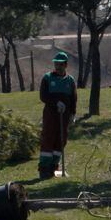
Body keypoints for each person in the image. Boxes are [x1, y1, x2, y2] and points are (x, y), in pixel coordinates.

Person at [38, 51, 77, 179]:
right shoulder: (47, 78)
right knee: (48, 138)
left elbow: (73, 98)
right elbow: (43, 96)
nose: (57, 67)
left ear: (66, 65)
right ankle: (44, 168)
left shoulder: (70, 80)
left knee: (61, 140)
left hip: (64, 116)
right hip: (50, 115)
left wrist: (72, 114)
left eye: (60, 64)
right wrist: (56, 103)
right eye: (56, 64)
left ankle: (54, 167)